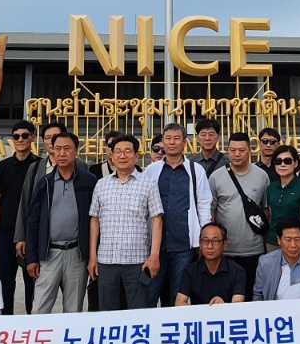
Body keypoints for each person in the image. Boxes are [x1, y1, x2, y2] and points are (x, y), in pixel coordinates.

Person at [24, 131, 98, 314]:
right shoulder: (44, 183)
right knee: (40, 308)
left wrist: (92, 255)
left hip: (77, 254)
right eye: (58, 149)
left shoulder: (89, 181)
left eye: (67, 148)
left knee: (73, 309)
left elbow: (96, 219)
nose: (62, 153)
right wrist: (32, 258)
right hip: (49, 254)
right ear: (52, 151)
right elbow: (33, 222)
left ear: (76, 151)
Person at [88, 133, 164, 310]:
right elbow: (94, 220)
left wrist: (154, 256)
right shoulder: (101, 184)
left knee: (138, 311)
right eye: (118, 151)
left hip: (137, 262)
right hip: (106, 260)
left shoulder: (148, 184)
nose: (122, 156)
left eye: (127, 151)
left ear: (136, 156)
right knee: (107, 311)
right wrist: (93, 256)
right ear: (112, 155)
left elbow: (157, 221)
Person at [140, 122, 212, 306]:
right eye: (168, 138)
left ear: (185, 143)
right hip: (154, 246)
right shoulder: (151, 170)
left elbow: (204, 205)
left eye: (176, 138)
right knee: (147, 292)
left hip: (184, 244)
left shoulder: (196, 170)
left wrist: (203, 237)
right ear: (163, 142)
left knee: (179, 295)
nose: (172, 142)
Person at [208, 132, 270, 296]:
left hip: (254, 249)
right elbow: (211, 211)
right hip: (226, 250)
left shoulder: (261, 176)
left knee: (251, 295)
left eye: (241, 150)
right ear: (227, 151)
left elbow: (265, 211)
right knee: (225, 296)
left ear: (250, 150)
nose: (237, 154)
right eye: (232, 150)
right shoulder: (216, 177)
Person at [1, 120, 51, 314]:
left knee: (32, 279)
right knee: (5, 281)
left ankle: (31, 320)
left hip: (29, 233)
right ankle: (6, 321)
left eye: (24, 136)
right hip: (5, 232)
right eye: (16, 136)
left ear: (32, 138)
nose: (20, 139)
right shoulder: (2, 167)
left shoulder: (38, 166)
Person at [174, 222, 246, 305]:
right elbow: (179, 302)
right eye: (205, 241)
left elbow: (237, 304)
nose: (210, 246)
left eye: (215, 241)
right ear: (200, 244)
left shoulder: (237, 271)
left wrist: (224, 306)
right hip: (199, 313)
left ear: (225, 244)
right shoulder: (190, 271)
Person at [266, 144, 300, 240]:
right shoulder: (271, 188)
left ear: (295, 163)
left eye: (287, 161)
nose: (282, 165)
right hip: (272, 241)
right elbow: (271, 216)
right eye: (278, 161)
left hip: (295, 242)